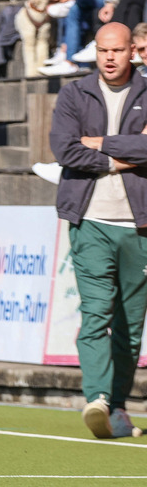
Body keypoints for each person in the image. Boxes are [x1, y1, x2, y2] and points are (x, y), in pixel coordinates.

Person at [49, 22, 147, 438]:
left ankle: (119, 408)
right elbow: (64, 148)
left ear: (133, 52)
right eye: (103, 50)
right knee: (96, 313)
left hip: (139, 226)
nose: (109, 57)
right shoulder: (73, 93)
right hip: (89, 221)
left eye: (118, 50)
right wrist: (125, 152)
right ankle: (97, 399)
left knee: (131, 326)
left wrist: (99, 142)